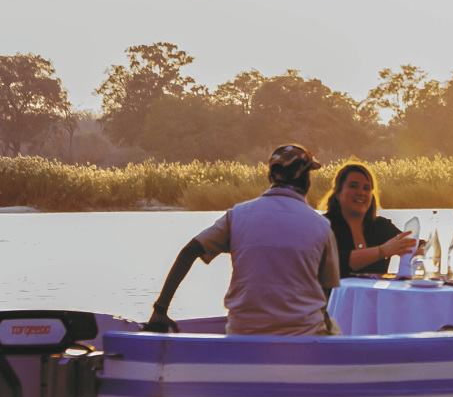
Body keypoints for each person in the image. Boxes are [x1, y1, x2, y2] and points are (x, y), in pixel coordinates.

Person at [143, 143, 342, 336]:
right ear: (306, 180)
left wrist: (160, 309)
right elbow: (327, 289)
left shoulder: (237, 215)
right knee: (333, 326)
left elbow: (189, 251)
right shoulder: (322, 226)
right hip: (302, 334)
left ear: (270, 177)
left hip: (243, 331)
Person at [320, 161, 417, 277]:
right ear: (338, 193)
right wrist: (382, 251)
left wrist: (421, 249)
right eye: (353, 186)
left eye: (366, 188)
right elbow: (334, 261)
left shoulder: (381, 226)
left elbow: (412, 243)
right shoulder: (323, 225)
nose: (361, 192)